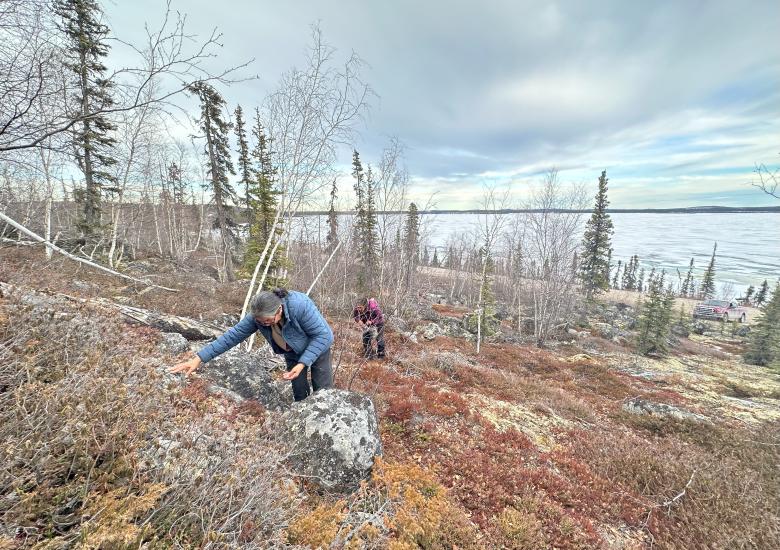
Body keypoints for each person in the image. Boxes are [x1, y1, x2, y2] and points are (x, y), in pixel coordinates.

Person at [170, 288, 333, 401]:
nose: (265, 324)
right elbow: (231, 337)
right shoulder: (257, 317)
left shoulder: (300, 305)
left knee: (324, 392)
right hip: (292, 353)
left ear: (279, 310)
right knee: (299, 392)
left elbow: (324, 336)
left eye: (268, 321)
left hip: (317, 349)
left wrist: (304, 363)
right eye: (261, 322)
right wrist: (199, 358)